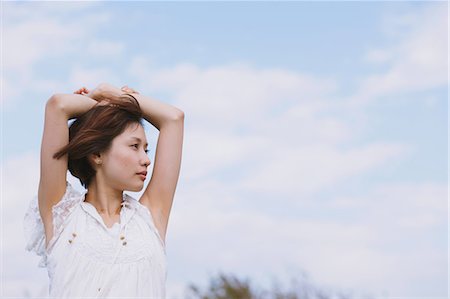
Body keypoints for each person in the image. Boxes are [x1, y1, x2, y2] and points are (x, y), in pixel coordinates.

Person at [23, 83, 184, 298]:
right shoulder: (62, 215)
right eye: (134, 146)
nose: (146, 160)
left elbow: (174, 119)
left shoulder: (150, 217)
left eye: (146, 149)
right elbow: (58, 106)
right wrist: (96, 96)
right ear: (97, 154)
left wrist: (117, 97)